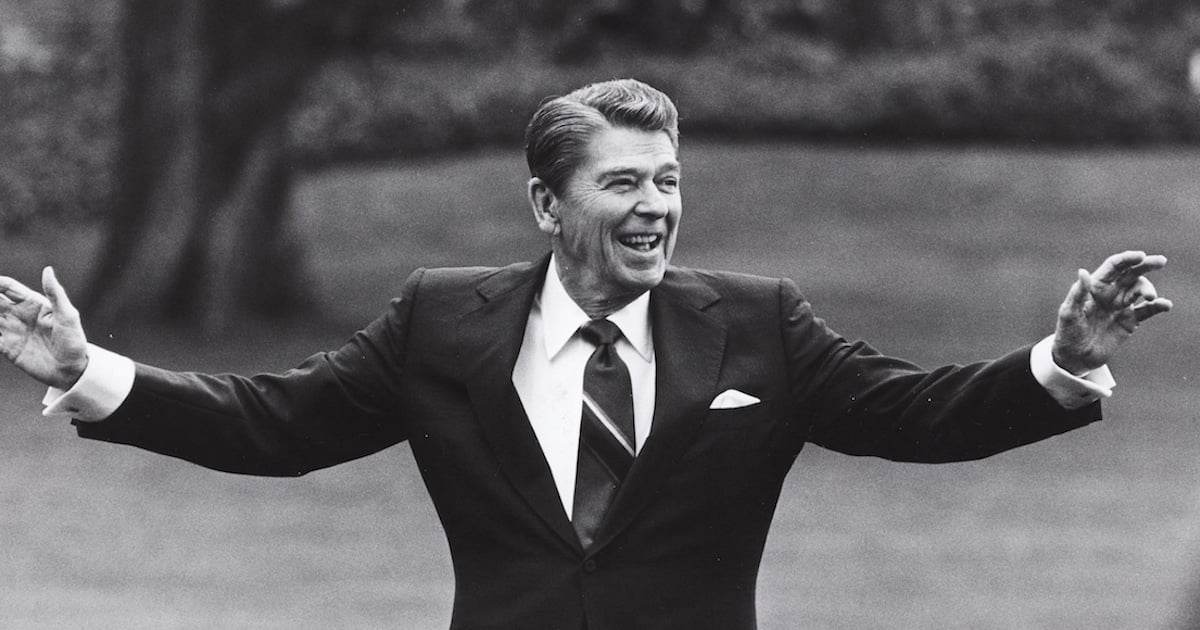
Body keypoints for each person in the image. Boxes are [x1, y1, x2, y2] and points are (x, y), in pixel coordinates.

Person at [0, 79, 1173, 629]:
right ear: (546, 204)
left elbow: (918, 415)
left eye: (669, 181)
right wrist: (91, 369)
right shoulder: (441, 320)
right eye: (624, 182)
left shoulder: (760, 322)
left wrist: (1057, 363)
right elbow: (278, 424)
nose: (658, 205)